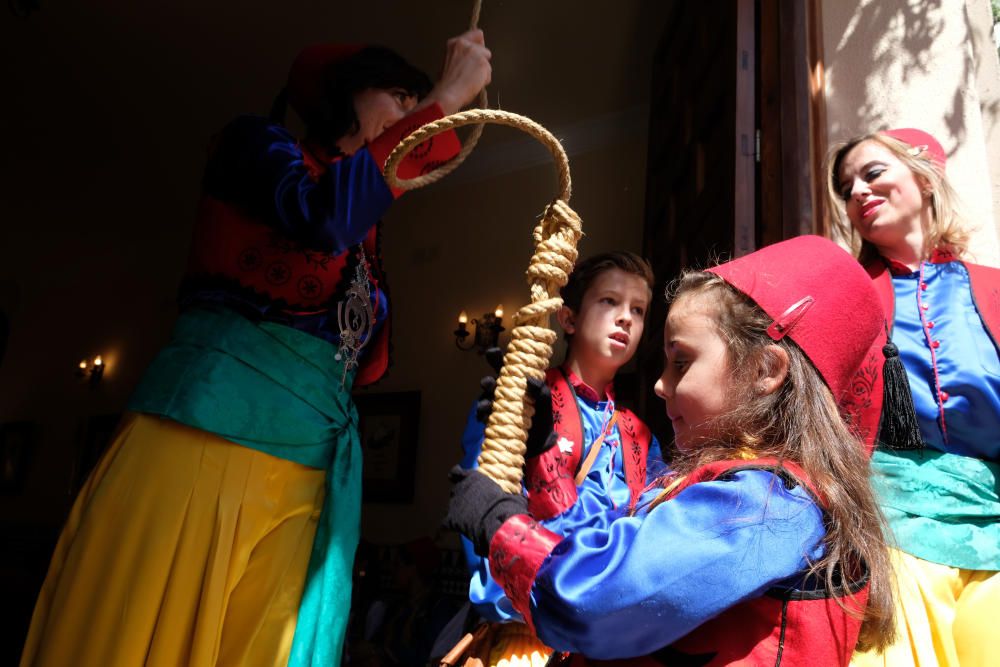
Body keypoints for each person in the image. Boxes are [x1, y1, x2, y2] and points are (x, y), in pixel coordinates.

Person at [20, 31, 491, 667]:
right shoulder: (257, 145)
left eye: (418, 100)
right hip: (205, 435)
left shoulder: (366, 239)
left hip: (307, 474)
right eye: (400, 95)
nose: (413, 112)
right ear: (343, 96)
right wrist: (446, 97)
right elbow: (320, 215)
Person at [445, 235, 897, 665]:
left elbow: (604, 592)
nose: (660, 385)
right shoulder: (736, 489)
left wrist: (501, 526)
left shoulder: (763, 505)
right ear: (569, 317)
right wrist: (545, 459)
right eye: (608, 302)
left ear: (764, 369)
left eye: (681, 361)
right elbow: (608, 549)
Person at [828, 128, 1000, 667]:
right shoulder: (845, 299)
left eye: (872, 173)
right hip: (892, 524)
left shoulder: (992, 287)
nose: (857, 191)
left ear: (924, 179)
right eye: (846, 186)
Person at [457, 252, 664, 665]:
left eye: (637, 310)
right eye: (609, 301)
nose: (625, 318)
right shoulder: (521, 401)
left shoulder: (641, 438)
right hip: (526, 638)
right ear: (568, 319)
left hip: (607, 644)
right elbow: (485, 523)